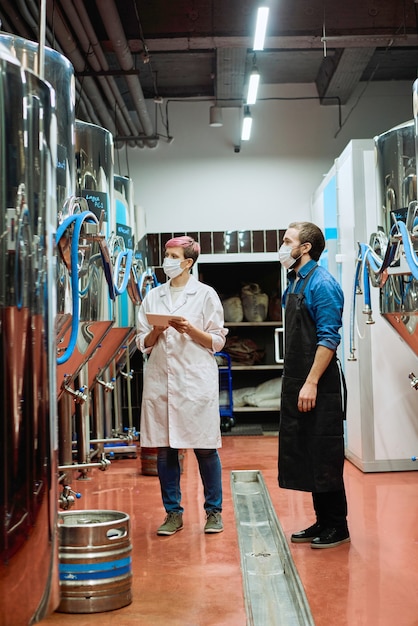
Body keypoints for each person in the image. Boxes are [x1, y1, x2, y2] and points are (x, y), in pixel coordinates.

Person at [136, 235, 228, 536]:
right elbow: (143, 344)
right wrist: (157, 331)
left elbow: (216, 341)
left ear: (188, 262)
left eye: (174, 256)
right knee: (165, 450)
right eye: (166, 254)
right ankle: (172, 513)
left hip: (194, 382)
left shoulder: (205, 295)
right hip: (162, 382)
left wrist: (190, 330)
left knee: (205, 449)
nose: (168, 261)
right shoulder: (153, 297)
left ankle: (214, 512)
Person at [278, 221, 349, 549]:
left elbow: (328, 339)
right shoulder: (293, 282)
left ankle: (338, 526)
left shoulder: (323, 284)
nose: (282, 245)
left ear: (305, 248)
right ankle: (322, 520)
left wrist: (311, 383)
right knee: (308, 451)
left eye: (287, 240)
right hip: (298, 380)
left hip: (318, 383)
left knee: (325, 452)